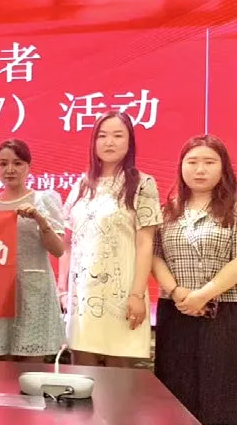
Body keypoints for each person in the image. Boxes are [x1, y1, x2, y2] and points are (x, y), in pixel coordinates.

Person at [152, 135, 237, 425]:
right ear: (181, 167)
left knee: (218, 392)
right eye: (192, 162)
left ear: (223, 167)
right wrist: (177, 292)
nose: (200, 169)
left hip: (225, 312)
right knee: (173, 391)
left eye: (209, 162)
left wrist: (202, 295)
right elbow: (155, 256)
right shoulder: (167, 210)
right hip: (175, 309)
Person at [59, 110, 160, 367]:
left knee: (119, 380)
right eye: (102, 136)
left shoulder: (142, 184)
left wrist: (137, 295)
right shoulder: (82, 184)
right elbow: (67, 243)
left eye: (118, 135)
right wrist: (62, 290)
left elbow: (145, 243)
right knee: (81, 378)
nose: (109, 142)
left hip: (122, 298)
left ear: (130, 142)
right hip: (82, 300)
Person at [0, 139, 65, 361]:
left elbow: (58, 250)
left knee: (33, 365)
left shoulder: (43, 199)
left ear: (28, 166)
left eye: (17, 163)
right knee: (2, 364)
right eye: (3, 163)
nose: (10, 169)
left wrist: (39, 219)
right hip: (0, 292)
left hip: (34, 291)